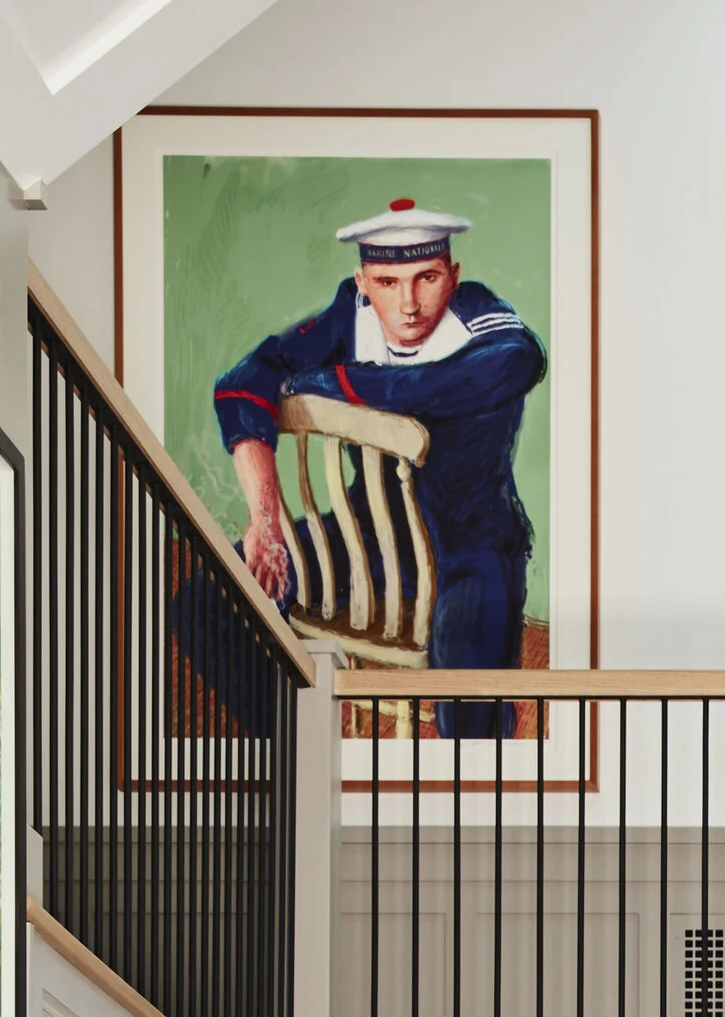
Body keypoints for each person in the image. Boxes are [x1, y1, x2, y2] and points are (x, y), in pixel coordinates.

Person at [215, 203, 546, 731]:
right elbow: (241, 380)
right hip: (367, 537)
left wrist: (334, 383)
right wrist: (265, 520)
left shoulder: (487, 327)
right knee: (208, 600)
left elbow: (509, 363)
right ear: (363, 281)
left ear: (453, 277)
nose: (409, 303)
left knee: (470, 702)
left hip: (472, 546)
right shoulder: (349, 315)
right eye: (388, 282)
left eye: (427, 278)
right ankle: (295, 742)